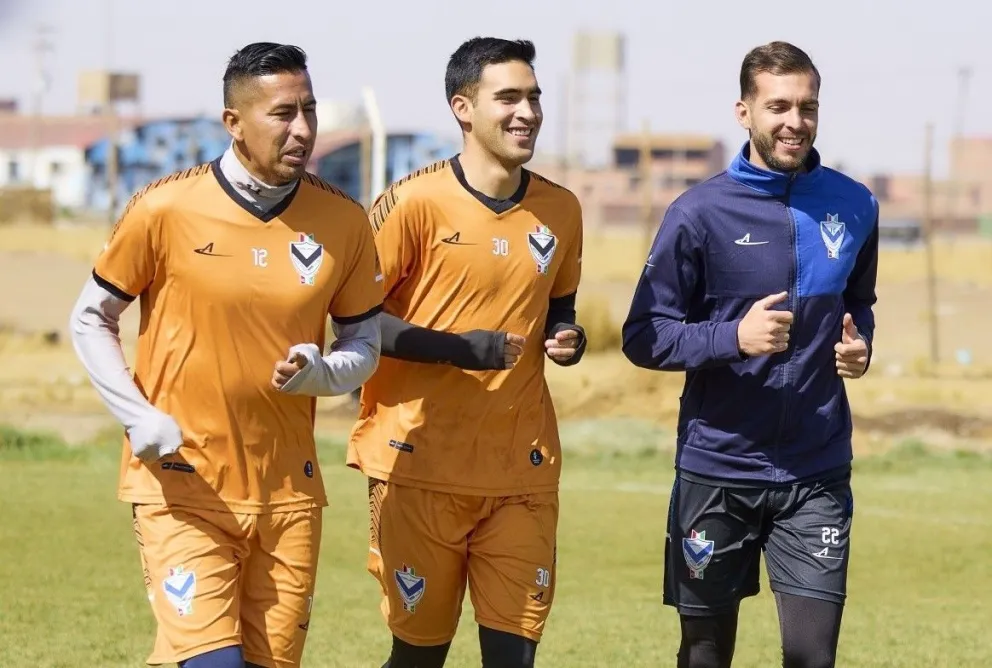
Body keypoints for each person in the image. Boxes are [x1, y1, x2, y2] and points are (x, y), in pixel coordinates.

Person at [69, 42, 383, 668]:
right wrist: (138, 415)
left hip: (288, 496)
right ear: (233, 123)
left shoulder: (345, 220)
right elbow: (90, 318)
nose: (303, 129)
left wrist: (325, 373)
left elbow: (364, 345)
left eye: (310, 110)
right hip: (182, 484)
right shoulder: (164, 207)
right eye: (283, 113)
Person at [621, 41, 878, 668]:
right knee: (705, 653)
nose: (796, 122)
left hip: (815, 469)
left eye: (808, 107)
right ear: (744, 112)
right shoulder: (697, 213)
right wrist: (731, 338)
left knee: (813, 657)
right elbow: (643, 335)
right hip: (718, 468)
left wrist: (860, 346)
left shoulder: (855, 204)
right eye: (779, 106)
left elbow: (860, 302)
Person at [346, 37, 586, 668]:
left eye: (534, 97)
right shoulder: (412, 203)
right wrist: (458, 350)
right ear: (463, 108)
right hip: (418, 466)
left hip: (521, 470)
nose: (527, 112)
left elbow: (559, 306)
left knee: (514, 657)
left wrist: (568, 337)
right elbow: (355, 325)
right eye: (508, 97)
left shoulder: (561, 209)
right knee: (419, 656)